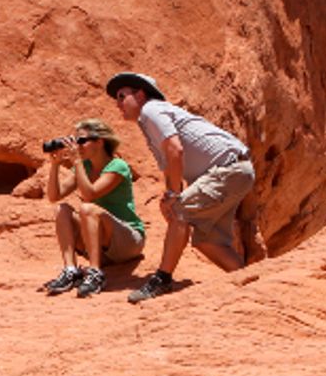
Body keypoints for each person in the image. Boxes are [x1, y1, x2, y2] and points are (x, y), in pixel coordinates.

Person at [106, 71, 255, 303]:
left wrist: (175, 198)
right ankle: (252, 284)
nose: (118, 103)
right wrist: (169, 197)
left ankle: (162, 279)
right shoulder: (150, 121)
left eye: (121, 96)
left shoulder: (151, 110)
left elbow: (176, 150)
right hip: (233, 171)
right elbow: (170, 163)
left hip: (227, 170)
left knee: (181, 213)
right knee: (208, 240)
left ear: (141, 94)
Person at [40, 118, 146, 298]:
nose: (78, 146)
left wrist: (77, 162)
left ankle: (95, 272)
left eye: (82, 141)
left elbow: (90, 194)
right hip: (102, 244)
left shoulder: (117, 166)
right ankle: (70, 270)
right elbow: (54, 196)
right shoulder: (86, 166)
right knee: (62, 209)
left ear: (100, 141)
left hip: (129, 241)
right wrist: (55, 165)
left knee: (87, 209)